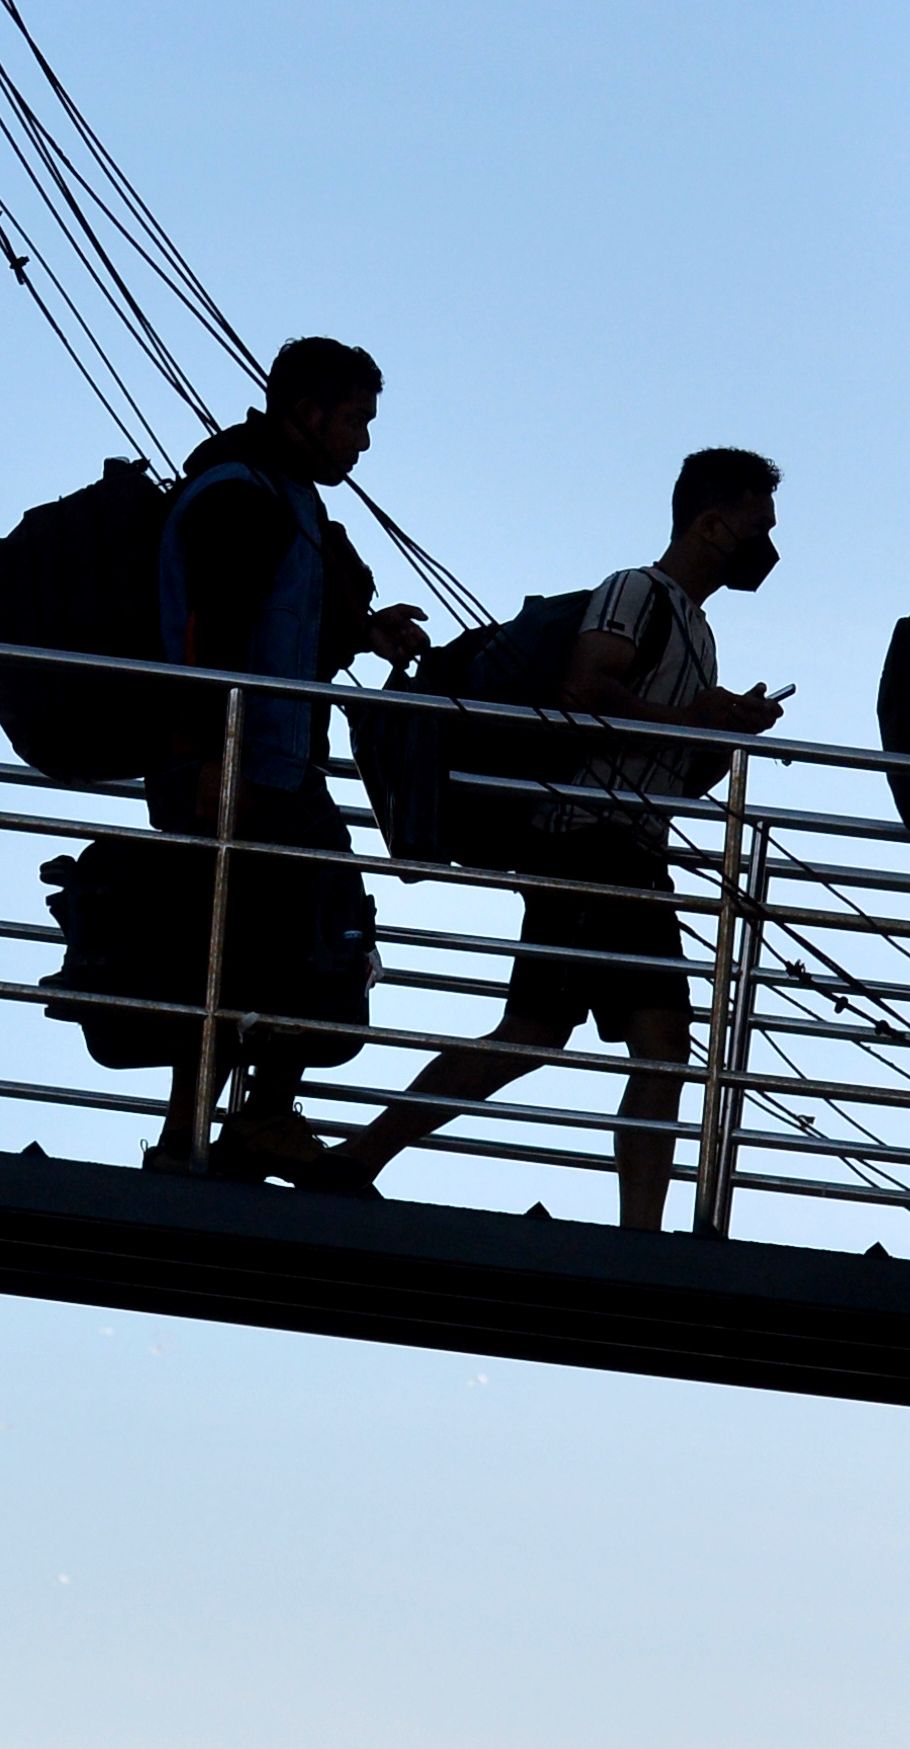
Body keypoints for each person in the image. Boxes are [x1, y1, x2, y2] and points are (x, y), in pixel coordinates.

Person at [312, 449, 787, 1226]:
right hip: (584, 844)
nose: (766, 543)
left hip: (634, 853)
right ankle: (364, 1154)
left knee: (656, 1044)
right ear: (710, 523)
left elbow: (659, 747)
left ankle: (638, 1233)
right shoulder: (636, 593)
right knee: (540, 1032)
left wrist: (723, 724)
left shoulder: (698, 631)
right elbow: (584, 688)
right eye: (755, 525)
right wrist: (693, 718)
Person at [149, 335, 430, 1177]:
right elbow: (213, 635)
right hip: (237, 770)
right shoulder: (240, 495)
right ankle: (240, 1121)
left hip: (273, 766)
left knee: (258, 948)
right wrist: (206, 760)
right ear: (306, 412)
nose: (363, 441)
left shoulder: (285, 495)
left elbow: (283, 629)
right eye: (354, 420)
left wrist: (363, 631)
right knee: (299, 939)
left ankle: (213, 1128)